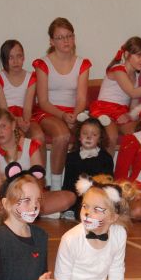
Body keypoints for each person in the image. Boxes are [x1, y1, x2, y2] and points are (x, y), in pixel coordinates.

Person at [51, 175, 136, 280]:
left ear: (113, 217)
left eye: (97, 209)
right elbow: (63, 279)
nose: (87, 213)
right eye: (85, 206)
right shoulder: (71, 239)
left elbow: (117, 269)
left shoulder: (119, 234)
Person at [0, 108, 75, 217]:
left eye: (3, 126)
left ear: (13, 125)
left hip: (30, 195)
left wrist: (28, 195)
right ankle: (32, 212)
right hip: (8, 196)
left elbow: (39, 179)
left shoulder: (30, 145)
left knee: (69, 197)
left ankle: (24, 212)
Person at [33, 17, 91, 191]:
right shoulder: (43, 64)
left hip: (74, 111)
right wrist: (63, 116)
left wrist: (75, 115)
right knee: (62, 135)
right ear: (52, 41)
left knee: (92, 134)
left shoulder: (82, 63)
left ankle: (86, 183)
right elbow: (43, 101)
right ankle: (56, 186)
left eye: (69, 36)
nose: (66, 41)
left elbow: (81, 99)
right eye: (60, 37)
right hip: (49, 112)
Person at [91, 37, 141, 155]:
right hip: (104, 110)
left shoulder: (137, 77)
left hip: (121, 112)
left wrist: (129, 115)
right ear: (127, 54)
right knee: (112, 136)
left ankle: (133, 165)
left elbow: (133, 104)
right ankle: (105, 166)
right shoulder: (118, 69)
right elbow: (132, 92)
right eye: (139, 56)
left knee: (138, 133)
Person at [0, 39, 47, 168]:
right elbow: (3, 108)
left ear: (23, 57)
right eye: (10, 58)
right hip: (5, 117)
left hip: (24, 116)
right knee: (17, 137)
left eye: (19, 56)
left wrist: (25, 122)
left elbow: (27, 107)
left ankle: (40, 174)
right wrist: (15, 121)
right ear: (4, 59)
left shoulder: (31, 77)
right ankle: (16, 174)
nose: (15, 61)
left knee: (39, 136)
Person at [63, 116, 114, 218]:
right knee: (79, 212)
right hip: (77, 198)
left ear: (100, 139)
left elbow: (108, 183)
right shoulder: (71, 157)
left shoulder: (106, 158)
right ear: (79, 136)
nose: (88, 137)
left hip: (97, 197)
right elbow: (68, 183)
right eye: (85, 133)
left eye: (94, 135)